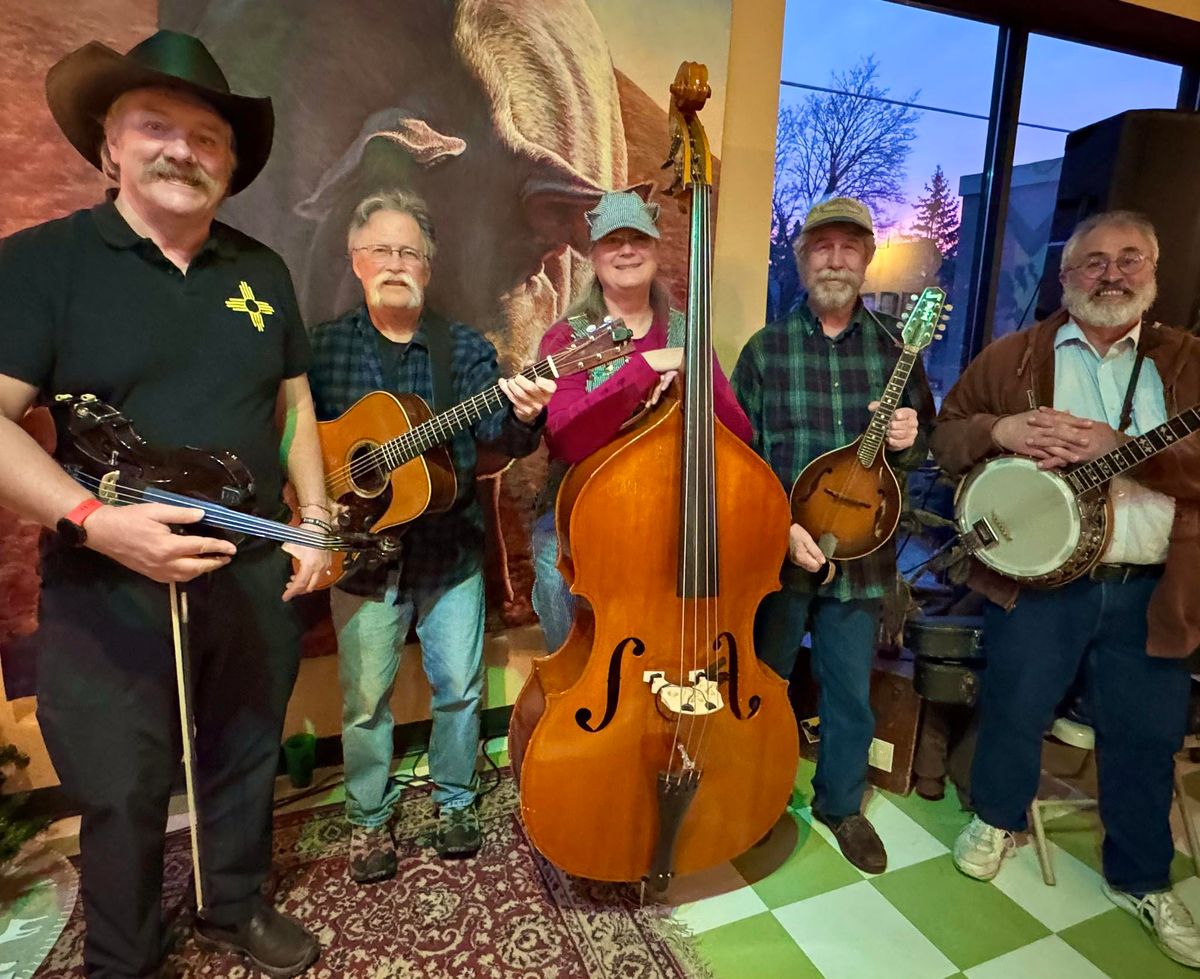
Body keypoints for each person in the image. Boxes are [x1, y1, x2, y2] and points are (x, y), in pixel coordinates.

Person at [0, 31, 330, 978]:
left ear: (230, 163)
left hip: (249, 573)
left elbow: (295, 400)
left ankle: (233, 907)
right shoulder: (39, 264)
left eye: (207, 136)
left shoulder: (263, 272)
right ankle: (126, 956)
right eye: (156, 126)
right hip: (105, 582)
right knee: (121, 786)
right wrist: (96, 523)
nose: (182, 149)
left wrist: (312, 519)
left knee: (243, 754)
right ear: (109, 147)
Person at [932, 210, 1200, 969]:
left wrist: (1130, 454)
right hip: (1039, 583)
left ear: (1153, 269)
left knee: (1145, 738)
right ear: (1066, 275)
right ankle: (996, 818)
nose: (1111, 274)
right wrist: (1000, 432)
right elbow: (948, 434)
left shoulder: (1186, 361)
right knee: (1014, 705)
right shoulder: (1018, 356)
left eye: (1129, 259)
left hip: (1152, 585)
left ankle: (1143, 876)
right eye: (1093, 262)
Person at [306, 189, 554, 883]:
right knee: (363, 702)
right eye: (382, 250)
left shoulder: (467, 349)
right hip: (360, 560)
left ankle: (453, 802)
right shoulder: (321, 349)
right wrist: (310, 496)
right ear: (357, 261)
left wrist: (526, 415)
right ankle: (368, 819)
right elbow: (296, 439)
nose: (395, 262)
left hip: (448, 554)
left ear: (428, 267)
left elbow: (495, 434)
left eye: (409, 251)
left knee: (460, 689)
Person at [732, 196, 934, 874]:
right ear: (802, 259)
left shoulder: (896, 352)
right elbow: (741, 460)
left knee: (850, 690)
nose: (837, 258)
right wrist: (782, 527)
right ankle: (752, 797)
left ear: (867, 258)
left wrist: (908, 438)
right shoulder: (765, 351)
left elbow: (915, 448)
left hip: (864, 559)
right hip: (779, 554)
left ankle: (840, 803)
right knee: (763, 682)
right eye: (823, 246)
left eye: (851, 246)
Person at [530, 189, 754, 653]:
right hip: (578, 522)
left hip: (665, 521)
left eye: (639, 238)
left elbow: (739, 435)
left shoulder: (687, 332)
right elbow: (566, 440)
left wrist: (694, 374)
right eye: (613, 240)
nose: (627, 249)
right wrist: (645, 367)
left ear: (655, 249)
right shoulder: (565, 338)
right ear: (593, 256)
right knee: (565, 609)